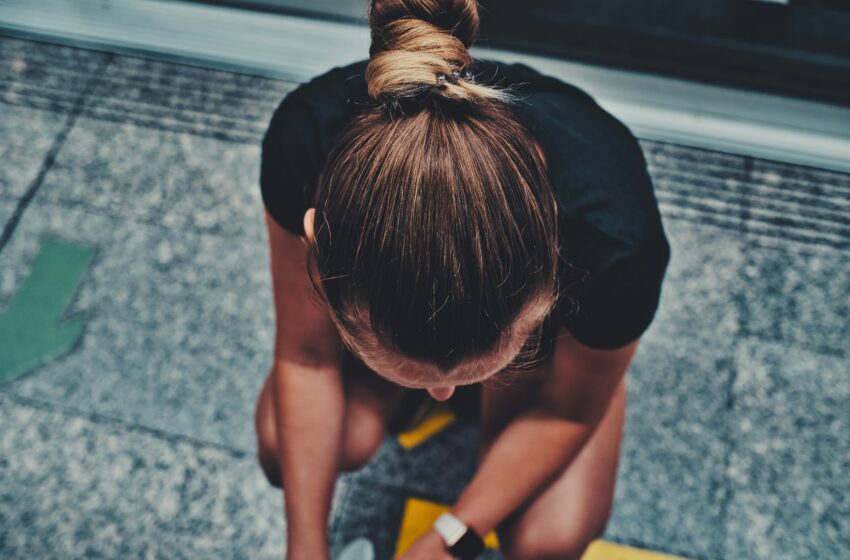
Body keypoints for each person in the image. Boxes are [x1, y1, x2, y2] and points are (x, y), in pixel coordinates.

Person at [254, 1, 671, 558]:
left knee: (547, 540)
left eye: (453, 378)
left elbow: (567, 412)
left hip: (554, 347)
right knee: (289, 445)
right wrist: (304, 548)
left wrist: (448, 539)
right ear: (319, 241)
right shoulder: (305, 140)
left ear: (556, 278)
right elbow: (306, 357)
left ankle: (548, 362)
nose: (447, 394)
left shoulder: (615, 238)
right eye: (428, 379)